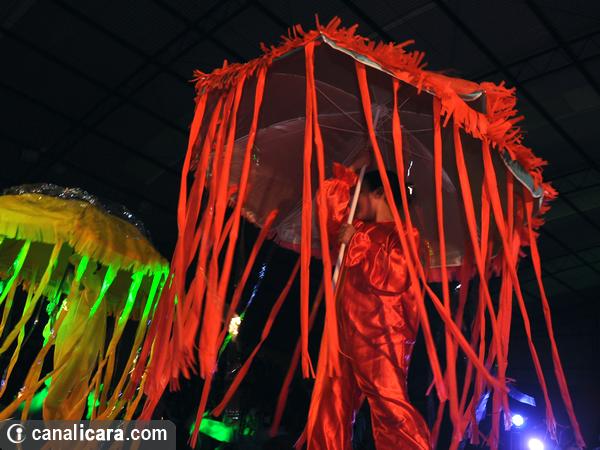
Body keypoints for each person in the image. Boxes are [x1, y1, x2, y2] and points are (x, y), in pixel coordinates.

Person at [307, 152, 430, 450]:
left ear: (378, 193)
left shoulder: (405, 235)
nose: (353, 201)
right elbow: (329, 216)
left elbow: (397, 276)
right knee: (330, 406)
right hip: (343, 333)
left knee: (389, 406)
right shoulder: (357, 228)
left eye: (358, 193)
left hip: (381, 335)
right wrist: (344, 179)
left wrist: (358, 243)